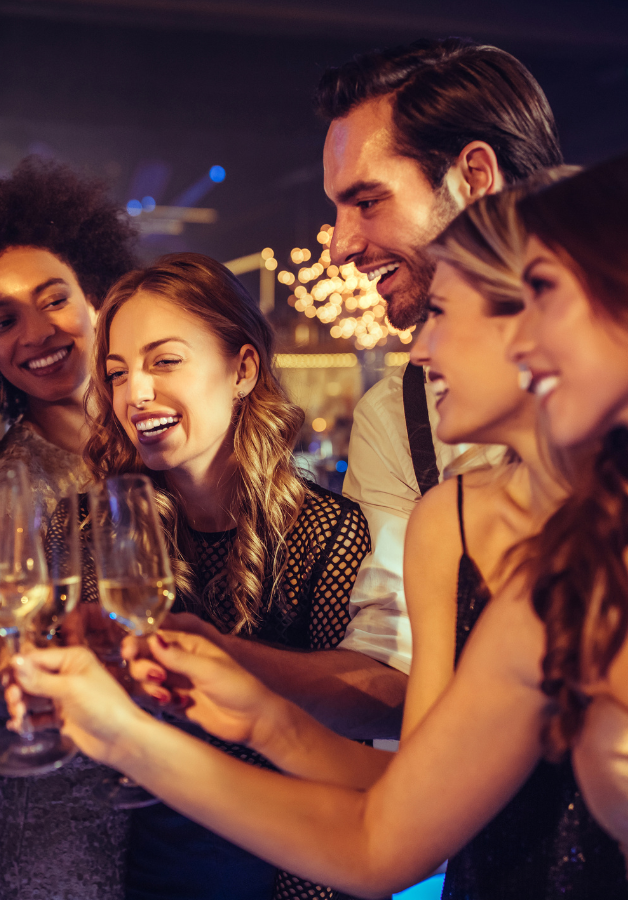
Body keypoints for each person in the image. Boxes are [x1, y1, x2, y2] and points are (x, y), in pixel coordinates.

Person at [12, 144, 628, 898]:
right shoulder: (566, 576)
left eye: (541, 295)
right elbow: (380, 839)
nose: (520, 342)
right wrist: (148, 729)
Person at [90, 252, 374, 900]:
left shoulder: (325, 534)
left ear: (243, 368)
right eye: (117, 373)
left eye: (165, 361)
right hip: (118, 866)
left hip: (276, 866)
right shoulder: (84, 529)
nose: (135, 394)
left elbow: (344, 751)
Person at [0, 156, 139, 900]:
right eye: (2, 320)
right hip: (48, 833)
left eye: (54, 300)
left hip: (194, 824)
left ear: (98, 294)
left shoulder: (179, 452)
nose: (37, 333)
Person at [400, 176, 627, 897]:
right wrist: (259, 716)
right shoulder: (451, 521)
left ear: (531, 323)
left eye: (436, 313)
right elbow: (408, 810)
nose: (416, 352)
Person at [322, 38, 563, 702]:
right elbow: (395, 672)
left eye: (366, 202)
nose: (339, 246)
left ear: (474, 180)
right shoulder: (399, 417)